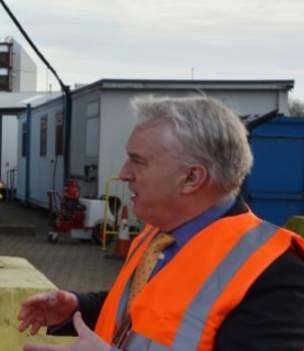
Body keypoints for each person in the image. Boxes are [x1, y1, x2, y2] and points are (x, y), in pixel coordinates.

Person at [17, 95, 304, 351]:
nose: (123, 173)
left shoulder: (275, 275)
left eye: (138, 161)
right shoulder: (158, 236)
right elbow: (149, 313)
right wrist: (79, 308)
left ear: (192, 177)